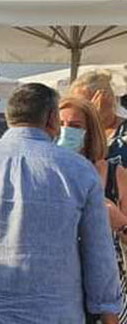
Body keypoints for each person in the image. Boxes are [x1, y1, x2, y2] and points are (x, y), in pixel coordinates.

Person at [0, 83, 122, 324]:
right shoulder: (79, 170)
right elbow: (99, 252)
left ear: (9, 116)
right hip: (54, 312)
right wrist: (108, 311)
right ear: (52, 119)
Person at [58, 96, 127, 323]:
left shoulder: (116, 176)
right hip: (57, 288)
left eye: (75, 126)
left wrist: (119, 222)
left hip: (109, 290)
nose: (65, 131)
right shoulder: (44, 173)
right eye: (60, 124)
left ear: (91, 132)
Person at [71, 71, 127, 167]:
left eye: (86, 105)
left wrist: (95, 119)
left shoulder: (124, 133)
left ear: (106, 99)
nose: (80, 111)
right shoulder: (75, 131)